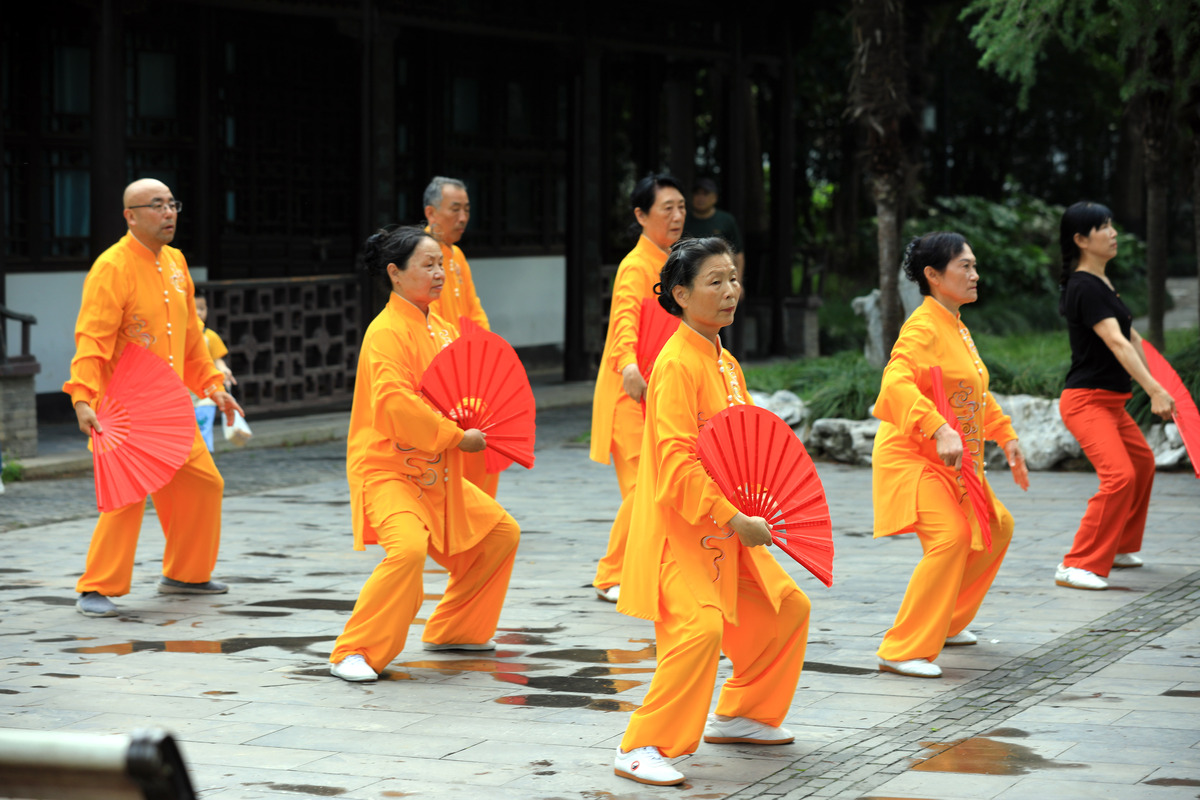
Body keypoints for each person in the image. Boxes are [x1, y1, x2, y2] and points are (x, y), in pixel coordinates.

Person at [613, 237, 809, 786]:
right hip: (683, 533)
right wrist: (732, 516)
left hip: (725, 530)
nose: (730, 292)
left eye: (733, 279)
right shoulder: (675, 364)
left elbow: (743, 446)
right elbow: (676, 464)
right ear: (680, 293)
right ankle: (642, 743)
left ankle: (743, 714)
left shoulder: (725, 362)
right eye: (714, 282)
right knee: (698, 631)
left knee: (788, 608)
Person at [328, 225, 521, 683]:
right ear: (395, 274)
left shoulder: (442, 328)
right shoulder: (385, 332)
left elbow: (463, 390)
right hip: (389, 470)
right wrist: (455, 435)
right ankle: (352, 649)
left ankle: (455, 629)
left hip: (437, 473)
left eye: (442, 265)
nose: (440, 274)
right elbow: (396, 404)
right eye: (429, 265)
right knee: (408, 550)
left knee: (500, 535)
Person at [64, 178, 243, 618]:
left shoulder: (177, 262)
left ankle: (185, 573)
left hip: (171, 401)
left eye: (172, 204)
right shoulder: (112, 267)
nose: (169, 213)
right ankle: (96, 587)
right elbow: (92, 338)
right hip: (124, 404)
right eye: (156, 206)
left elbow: (190, 339)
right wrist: (82, 398)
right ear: (130, 215)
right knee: (126, 497)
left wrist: (212, 386)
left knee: (204, 484)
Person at [871, 232, 1028, 678]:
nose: (975, 275)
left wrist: (1005, 434)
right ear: (934, 276)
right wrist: (938, 427)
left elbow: (972, 391)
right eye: (966, 267)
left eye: (974, 266)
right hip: (912, 457)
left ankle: (945, 621)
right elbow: (894, 384)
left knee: (997, 526)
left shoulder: (955, 324)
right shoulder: (922, 327)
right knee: (952, 537)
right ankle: (902, 648)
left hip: (950, 461)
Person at [1055, 202, 1176, 590]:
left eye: (1111, 225)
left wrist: (1165, 383)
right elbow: (1115, 343)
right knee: (1119, 476)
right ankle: (1076, 564)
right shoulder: (1083, 286)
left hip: (1109, 401)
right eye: (1103, 227)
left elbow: (1133, 338)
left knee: (1141, 464)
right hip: (1086, 401)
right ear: (1080, 240)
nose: (1113, 233)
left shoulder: (1103, 284)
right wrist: (1153, 390)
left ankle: (1119, 545)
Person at [589, 173, 686, 603]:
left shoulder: (672, 262)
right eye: (667, 208)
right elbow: (623, 322)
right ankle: (611, 575)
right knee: (638, 488)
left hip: (657, 392)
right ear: (641, 215)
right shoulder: (635, 265)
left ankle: (640, 568)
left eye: (681, 207)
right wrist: (627, 364)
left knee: (654, 484)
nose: (678, 215)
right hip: (628, 395)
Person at [422, 176, 498, 499]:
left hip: (466, 367)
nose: (463, 218)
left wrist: (487, 351)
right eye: (455, 209)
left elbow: (474, 311)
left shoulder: (457, 257)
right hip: (437, 368)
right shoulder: (421, 255)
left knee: (485, 443)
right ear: (431, 213)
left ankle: (478, 510)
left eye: (466, 209)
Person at [193, 291, 236, 452]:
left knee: (203, 431)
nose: (198, 312)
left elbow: (217, 359)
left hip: (206, 395)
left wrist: (224, 369)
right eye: (194, 307)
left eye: (202, 308)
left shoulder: (210, 336)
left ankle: (207, 459)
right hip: (185, 393)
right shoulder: (177, 335)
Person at [682, 177, 745, 279]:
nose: (700, 198)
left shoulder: (726, 220)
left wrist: (738, 281)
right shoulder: (682, 219)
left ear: (715, 197)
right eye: (697, 193)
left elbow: (738, 253)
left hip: (721, 277)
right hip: (689, 277)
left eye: (705, 194)